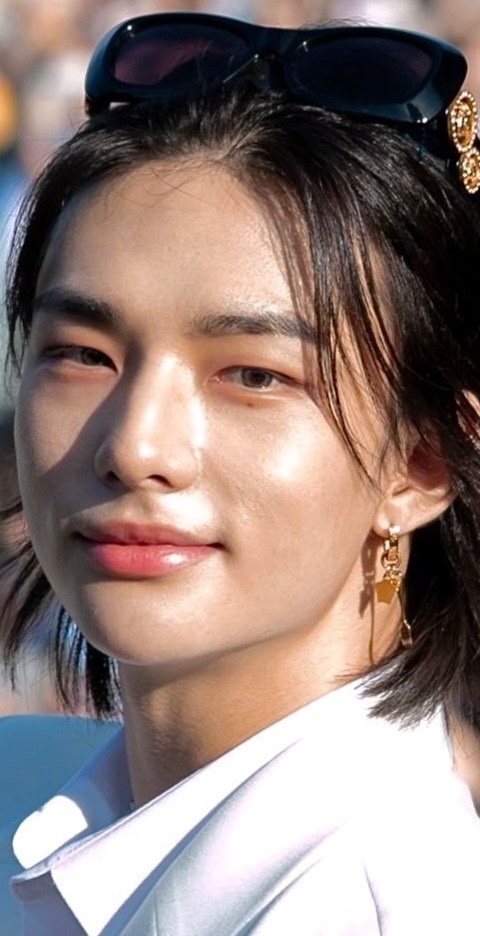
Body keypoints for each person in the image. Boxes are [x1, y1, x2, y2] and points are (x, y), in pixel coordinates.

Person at [2, 13, 480, 934]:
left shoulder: (374, 905)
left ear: (421, 463)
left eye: (254, 376)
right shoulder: (26, 796)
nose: (136, 446)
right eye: (83, 354)